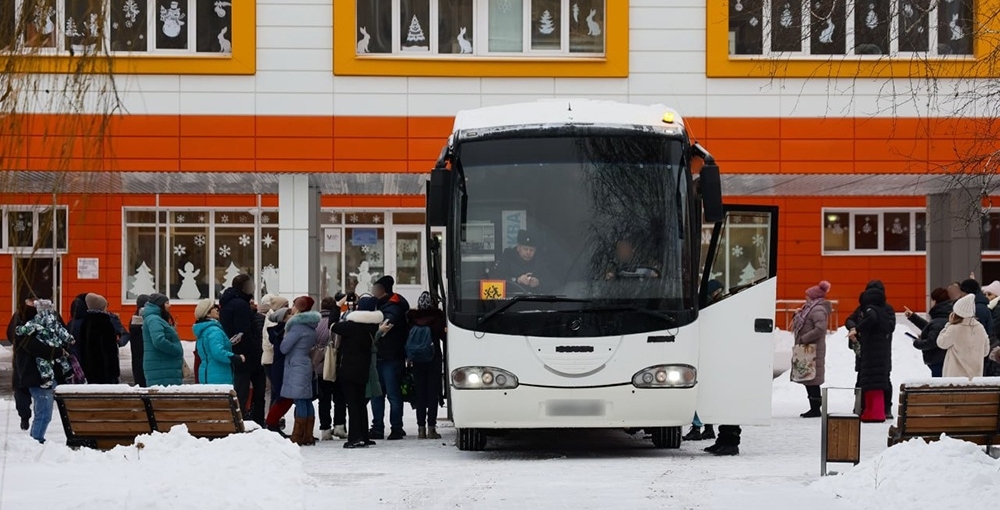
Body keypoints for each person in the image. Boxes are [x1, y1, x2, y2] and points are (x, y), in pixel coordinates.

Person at [14, 299, 74, 444]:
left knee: (43, 412)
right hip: (37, 377)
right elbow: (43, 350)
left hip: (43, 376)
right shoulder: (27, 330)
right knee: (44, 413)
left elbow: (62, 336)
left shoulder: (38, 325)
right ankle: (36, 441)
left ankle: (36, 440)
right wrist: (59, 351)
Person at [332, 295, 385, 449]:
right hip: (363, 369)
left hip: (348, 369)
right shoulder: (373, 325)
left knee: (353, 404)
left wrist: (337, 306)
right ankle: (364, 436)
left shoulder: (351, 326)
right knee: (361, 403)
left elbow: (333, 326)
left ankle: (355, 437)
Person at [845, 280, 896, 419]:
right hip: (864, 348)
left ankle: (886, 407)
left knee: (883, 379)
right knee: (862, 378)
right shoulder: (862, 308)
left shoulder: (886, 309)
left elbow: (889, 327)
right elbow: (849, 320)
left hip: (879, 350)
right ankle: (861, 406)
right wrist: (855, 328)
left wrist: (861, 327)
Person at [220, 274, 266, 425]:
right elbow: (243, 331)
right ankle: (251, 421)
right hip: (247, 355)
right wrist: (254, 352)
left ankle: (242, 420)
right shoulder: (240, 305)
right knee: (251, 392)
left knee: (242, 390)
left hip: (239, 352)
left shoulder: (228, 303)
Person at [371, 275, 411, 440]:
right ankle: (381, 427)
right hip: (386, 356)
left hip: (390, 357)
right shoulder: (385, 305)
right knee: (381, 395)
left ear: (383, 290)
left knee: (390, 395)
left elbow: (384, 327)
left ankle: (393, 428)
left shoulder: (392, 307)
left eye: (375, 289)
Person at [280, 296, 322, 446]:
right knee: (306, 399)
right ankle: (308, 434)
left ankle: (298, 435)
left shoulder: (297, 327)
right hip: (305, 363)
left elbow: (284, 347)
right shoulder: (311, 325)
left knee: (299, 400)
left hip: (296, 364)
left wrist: (284, 335)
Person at [407, 291, 447, 440]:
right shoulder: (437, 319)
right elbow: (445, 337)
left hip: (417, 361)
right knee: (432, 394)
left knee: (420, 395)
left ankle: (420, 429)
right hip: (433, 359)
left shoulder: (412, 319)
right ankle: (431, 428)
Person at [792, 281, 831, 418]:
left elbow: (820, 329)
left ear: (814, 297)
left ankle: (815, 409)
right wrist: (797, 315)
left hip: (812, 349)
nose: (805, 297)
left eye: (808, 295)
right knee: (809, 379)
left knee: (812, 380)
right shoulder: (810, 308)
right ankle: (814, 408)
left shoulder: (817, 309)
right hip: (808, 349)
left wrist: (804, 338)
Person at [315, 296, 348, 441]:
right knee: (340, 397)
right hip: (338, 364)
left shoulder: (314, 324)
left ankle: (325, 429)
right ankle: (340, 426)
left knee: (324, 399)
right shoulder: (339, 323)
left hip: (321, 365)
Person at [937, 294, 991, 379]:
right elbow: (985, 352)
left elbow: (941, 343)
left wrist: (948, 325)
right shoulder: (980, 328)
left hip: (955, 378)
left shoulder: (954, 328)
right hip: (975, 378)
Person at [193, 299, 244, 385]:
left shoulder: (203, 330)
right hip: (219, 376)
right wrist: (235, 357)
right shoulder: (214, 330)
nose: (217, 309)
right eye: (214, 307)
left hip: (206, 373)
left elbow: (209, 349)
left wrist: (228, 343)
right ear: (208, 313)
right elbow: (218, 352)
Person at [904, 288, 952, 377]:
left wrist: (917, 343)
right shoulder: (945, 316)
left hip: (938, 360)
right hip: (945, 359)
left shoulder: (938, 321)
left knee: (939, 387)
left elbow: (932, 341)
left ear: (934, 301)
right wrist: (913, 317)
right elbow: (931, 328)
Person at [264, 305, 295, 436]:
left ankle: (273, 423)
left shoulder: (279, 331)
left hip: (281, 365)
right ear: (283, 318)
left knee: (282, 396)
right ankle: (271, 423)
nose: (292, 316)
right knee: (283, 397)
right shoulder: (281, 331)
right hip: (280, 365)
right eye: (289, 314)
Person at [142, 293, 184, 386]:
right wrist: (176, 350)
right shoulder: (154, 319)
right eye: (167, 303)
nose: (170, 305)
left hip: (163, 368)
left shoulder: (155, 319)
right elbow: (158, 341)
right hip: (162, 369)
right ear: (159, 305)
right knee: (165, 399)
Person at [78, 293, 121, 384]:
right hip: (104, 371)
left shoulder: (85, 322)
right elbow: (110, 351)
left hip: (89, 369)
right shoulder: (104, 323)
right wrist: (114, 373)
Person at [8, 298, 36, 430]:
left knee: (21, 388)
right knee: (37, 390)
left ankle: (25, 416)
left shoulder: (19, 315)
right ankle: (32, 418)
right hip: (38, 359)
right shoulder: (47, 316)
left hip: (22, 358)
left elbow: (10, 334)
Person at [129, 295, 149, 386]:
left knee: (139, 382)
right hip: (146, 355)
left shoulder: (133, 319)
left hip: (136, 356)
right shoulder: (147, 319)